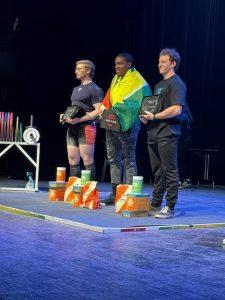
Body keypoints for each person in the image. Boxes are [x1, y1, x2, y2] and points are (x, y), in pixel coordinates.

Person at [140, 48, 186, 218]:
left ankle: (170, 206)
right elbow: (153, 107)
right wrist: (146, 116)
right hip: (153, 133)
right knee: (158, 172)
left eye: (163, 62)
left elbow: (176, 109)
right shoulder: (159, 85)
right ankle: (156, 203)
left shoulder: (177, 83)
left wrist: (155, 116)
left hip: (167, 133)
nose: (159, 64)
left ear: (173, 64)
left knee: (170, 170)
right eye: (159, 61)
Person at [101, 52, 152, 204]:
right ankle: (115, 193)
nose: (116, 66)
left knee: (129, 159)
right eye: (115, 63)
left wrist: (118, 111)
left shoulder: (137, 80)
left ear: (129, 64)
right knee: (113, 158)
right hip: (111, 123)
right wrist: (105, 113)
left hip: (129, 125)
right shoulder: (115, 78)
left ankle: (129, 192)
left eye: (120, 63)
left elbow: (139, 101)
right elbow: (109, 99)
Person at [60, 59, 103, 180]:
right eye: (76, 68)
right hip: (72, 128)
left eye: (79, 68)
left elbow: (99, 111)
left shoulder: (95, 89)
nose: (76, 71)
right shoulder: (75, 89)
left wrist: (79, 120)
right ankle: (75, 192)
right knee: (72, 159)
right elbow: (75, 109)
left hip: (86, 127)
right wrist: (64, 115)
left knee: (87, 159)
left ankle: (89, 194)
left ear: (88, 70)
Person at [178, 101, 193, 188]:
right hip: (183, 138)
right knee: (179, 160)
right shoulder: (186, 114)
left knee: (177, 160)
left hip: (182, 139)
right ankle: (184, 179)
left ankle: (181, 180)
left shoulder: (183, 115)